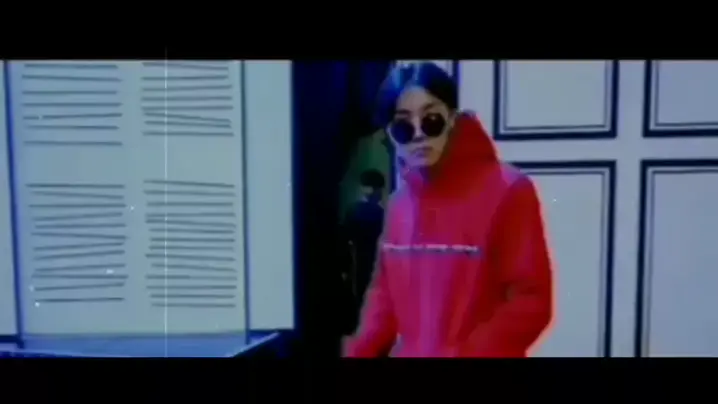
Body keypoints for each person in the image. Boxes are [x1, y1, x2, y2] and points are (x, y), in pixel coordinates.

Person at [343, 62, 554, 358]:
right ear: (390, 134)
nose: (419, 135)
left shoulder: (509, 190)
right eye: (403, 127)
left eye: (431, 120)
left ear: (452, 117)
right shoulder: (400, 204)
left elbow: (531, 300)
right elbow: (384, 297)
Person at [343, 169, 386, 320]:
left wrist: (344, 267)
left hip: (357, 264)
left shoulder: (353, 211)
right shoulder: (381, 213)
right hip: (373, 264)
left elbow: (344, 240)